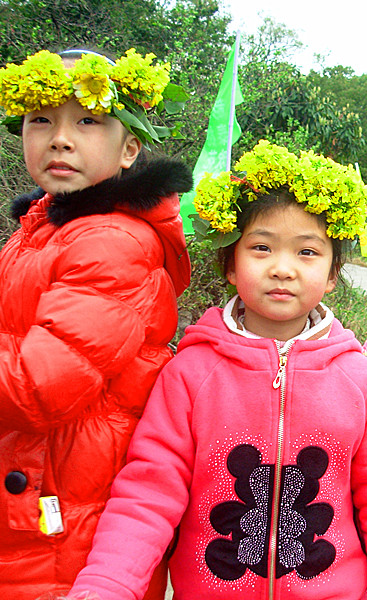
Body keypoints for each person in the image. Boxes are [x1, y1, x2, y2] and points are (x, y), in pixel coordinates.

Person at [67, 141, 367, 600]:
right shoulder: (191, 373)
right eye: (261, 247)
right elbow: (147, 496)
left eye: (307, 252)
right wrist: (106, 585)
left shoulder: (358, 380)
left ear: (334, 271)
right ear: (229, 262)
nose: (282, 269)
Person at [0, 48, 191, 599]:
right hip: (37, 506)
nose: (61, 138)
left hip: (66, 531)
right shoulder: (43, 227)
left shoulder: (111, 241)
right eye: (42, 120)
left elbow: (37, 387)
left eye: (88, 120)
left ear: (129, 147)